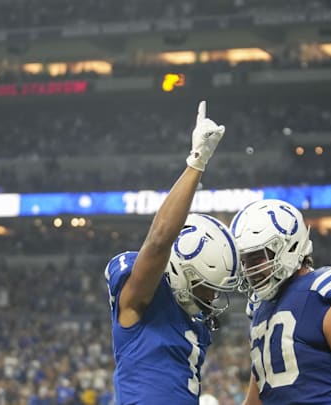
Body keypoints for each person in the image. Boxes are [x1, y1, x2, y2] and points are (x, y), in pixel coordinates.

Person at [104, 101, 240, 404]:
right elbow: (158, 241)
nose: (212, 298)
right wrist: (197, 162)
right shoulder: (138, 304)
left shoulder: (193, 321)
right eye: (207, 287)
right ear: (182, 272)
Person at [229, 199, 331, 405]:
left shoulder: (328, 294)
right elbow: (259, 397)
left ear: (288, 247)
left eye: (257, 258)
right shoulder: (260, 308)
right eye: (244, 261)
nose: (250, 270)